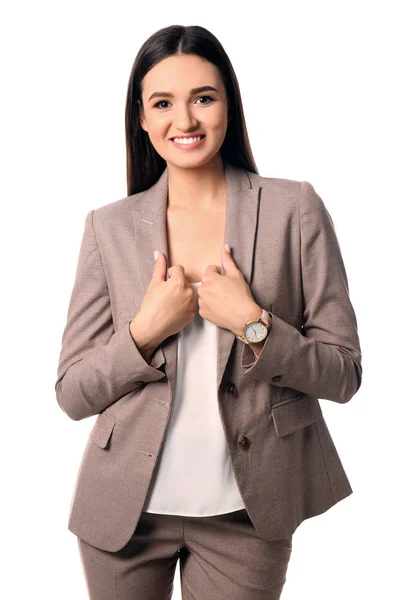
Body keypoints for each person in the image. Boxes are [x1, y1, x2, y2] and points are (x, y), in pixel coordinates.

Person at [55, 24, 362, 600]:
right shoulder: (109, 228)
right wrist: (145, 332)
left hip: (248, 516)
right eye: (162, 103)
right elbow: (72, 392)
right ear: (142, 119)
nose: (185, 121)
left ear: (229, 104)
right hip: (125, 514)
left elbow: (344, 373)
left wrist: (254, 324)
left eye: (203, 97)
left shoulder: (293, 210)